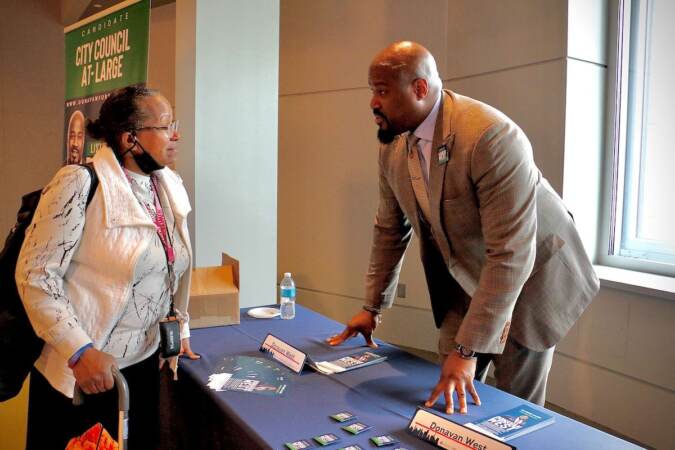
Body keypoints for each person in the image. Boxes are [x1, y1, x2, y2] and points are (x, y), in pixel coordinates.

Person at [328, 41, 599, 414]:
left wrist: (467, 349)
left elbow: (511, 253)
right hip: (467, 275)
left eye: (382, 91)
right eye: (372, 91)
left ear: (419, 89)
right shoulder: (392, 146)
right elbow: (389, 230)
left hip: (533, 275)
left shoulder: (491, 136)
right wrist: (371, 307)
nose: (373, 103)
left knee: (514, 408)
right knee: (451, 386)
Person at [16, 85, 199, 449]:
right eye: (165, 126)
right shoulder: (78, 183)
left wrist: (180, 325)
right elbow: (36, 276)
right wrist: (80, 350)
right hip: (83, 372)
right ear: (131, 138)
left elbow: (169, 264)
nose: (175, 134)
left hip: (142, 365)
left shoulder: (167, 184)